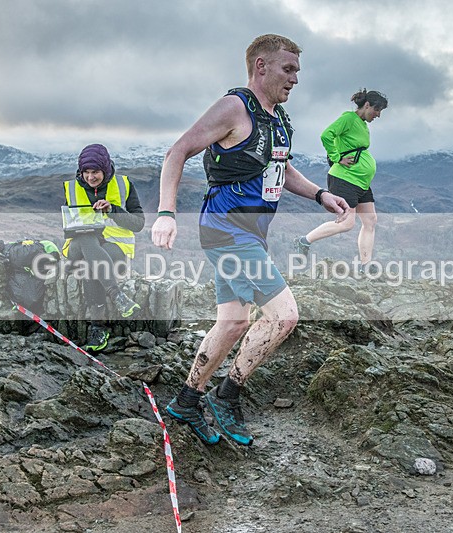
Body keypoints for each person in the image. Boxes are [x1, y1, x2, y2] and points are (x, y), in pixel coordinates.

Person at [151, 34, 350, 446]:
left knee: (234, 322)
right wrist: (166, 213)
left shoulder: (277, 118)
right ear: (261, 66)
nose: (295, 79)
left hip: (251, 233)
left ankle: (187, 401)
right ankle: (228, 395)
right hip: (227, 229)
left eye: (297, 71)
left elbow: (282, 168)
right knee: (285, 316)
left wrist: (320, 194)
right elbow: (177, 152)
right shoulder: (235, 107)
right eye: (288, 69)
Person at [295, 89, 388, 274]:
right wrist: (337, 158)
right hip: (345, 179)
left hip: (360, 181)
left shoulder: (362, 124)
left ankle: (365, 266)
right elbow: (326, 135)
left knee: (370, 220)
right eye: (377, 110)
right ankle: (304, 240)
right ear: (367, 105)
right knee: (347, 223)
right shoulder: (348, 119)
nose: (378, 115)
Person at [62, 144, 144, 352]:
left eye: (95, 172)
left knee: (92, 265)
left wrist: (113, 210)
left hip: (114, 247)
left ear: (105, 170)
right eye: (86, 172)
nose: (90, 177)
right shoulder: (71, 188)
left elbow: (138, 223)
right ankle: (116, 296)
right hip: (76, 248)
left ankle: (97, 327)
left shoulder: (124, 185)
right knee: (86, 240)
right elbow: (67, 226)